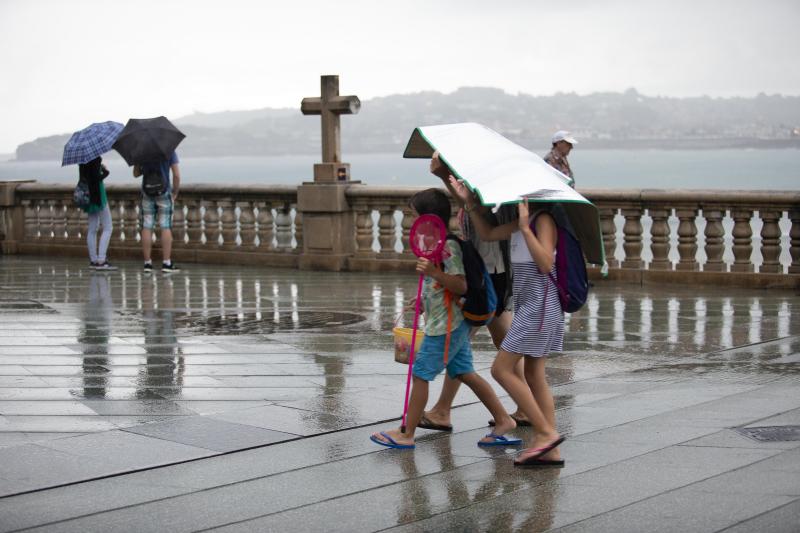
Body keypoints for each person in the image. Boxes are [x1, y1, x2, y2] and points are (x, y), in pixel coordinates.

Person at [370, 188, 520, 450]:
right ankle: (504, 420)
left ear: (428, 218)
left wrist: (433, 272)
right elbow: (437, 287)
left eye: (413, 215)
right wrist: (420, 301)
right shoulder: (436, 245)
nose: (410, 221)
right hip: (448, 321)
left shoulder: (449, 246)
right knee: (465, 372)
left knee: (421, 375)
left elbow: (460, 285)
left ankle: (407, 433)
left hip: (446, 325)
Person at [451, 178, 565, 468]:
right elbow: (487, 233)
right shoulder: (519, 222)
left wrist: (526, 228)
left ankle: (545, 433)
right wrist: (470, 203)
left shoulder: (543, 221)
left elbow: (545, 264)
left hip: (539, 308)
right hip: (530, 305)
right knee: (535, 376)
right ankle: (550, 448)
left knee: (501, 369)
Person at [420, 152, 531, 432]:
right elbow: (468, 203)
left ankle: (443, 410)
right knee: (505, 343)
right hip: (493, 276)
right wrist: (445, 176)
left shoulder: (496, 194)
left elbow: (477, 210)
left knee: (457, 344)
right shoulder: (490, 190)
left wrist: (443, 175)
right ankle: (528, 406)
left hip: (487, 278)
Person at [133, 152, 181, 273]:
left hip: (147, 192)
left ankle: (147, 264)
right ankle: (166, 263)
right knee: (165, 226)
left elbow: (136, 173)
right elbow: (176, 175)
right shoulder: (168, 149)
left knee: (147, 227)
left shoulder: (142, 151)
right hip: (164, 191)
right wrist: (175, 192)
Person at [79, 157, 116, 271]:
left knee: (92, 228)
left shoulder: (82, 160)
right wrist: (105, 171)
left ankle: (94, 260)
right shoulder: (95, 159)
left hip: (88, 196)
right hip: (98, 195)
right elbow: (96, 178)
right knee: (108, 227)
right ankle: (101, 260)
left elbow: (86, 177)